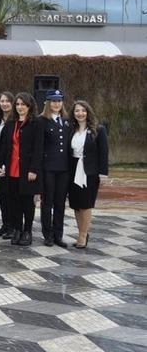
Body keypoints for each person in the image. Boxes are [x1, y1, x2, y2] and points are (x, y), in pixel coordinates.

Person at [0, 93, 44, 246]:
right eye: (17, 104)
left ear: (29, 106)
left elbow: (38, 149)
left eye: (23, 104)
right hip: (12, 169)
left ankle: (27, 231)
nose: (20, 107)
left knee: (27, 203)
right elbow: (4, 148)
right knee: (14, 202)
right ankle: (17, 229)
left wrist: (34, 169)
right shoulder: (11, 124)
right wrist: (1, 166)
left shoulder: (36, 124)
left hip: (27, 170)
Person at [69, 100, 108, 249]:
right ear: (73, 114)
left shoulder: (99, 130)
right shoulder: (71, 130)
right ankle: (80, 233)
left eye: (83, 110)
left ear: (88, 112)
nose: (80, 113)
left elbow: (104, 153)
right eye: (77, 111)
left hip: (89, 172)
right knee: (76, 205)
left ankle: (83, 235)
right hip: (73, 170)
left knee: (86, 204)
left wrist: (103, 174)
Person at [39, 90, 72, 248]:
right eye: (53, 101)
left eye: (59, 101)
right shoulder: (42, 120)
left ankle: (58, 234)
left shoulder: (66, 121)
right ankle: (48, 234)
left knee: (60, 203)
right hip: (48, 168)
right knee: (47, 202)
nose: (56, 104)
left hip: (64, 169)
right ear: (47, 103)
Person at [0, 91, 15, 239]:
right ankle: (5, 224)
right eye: (2, 101)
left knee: (10, 195)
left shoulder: (14, 121)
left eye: (7, 101)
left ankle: (12, 226)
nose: (4, 104)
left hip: (10, 163)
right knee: (2, 195)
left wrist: (5, 164)